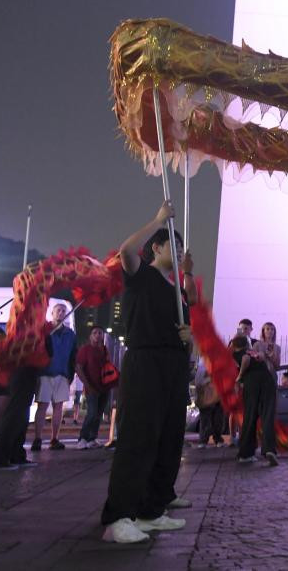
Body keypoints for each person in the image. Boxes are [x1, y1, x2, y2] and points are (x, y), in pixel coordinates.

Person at [100, 202, 195, 544]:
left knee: (169, 439)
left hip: (172, 365)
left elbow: (183, 328)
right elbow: (125, 250)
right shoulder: (142, 275)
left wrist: (189, 338)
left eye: (182, 245)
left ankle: (151, 511)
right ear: (156, 247)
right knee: (138, 439)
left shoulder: (175, 290)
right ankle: (118, 517)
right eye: (174, 243)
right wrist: (156, 221)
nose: (180, 251)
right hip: (145, 364)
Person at [33, 303, 77, 452]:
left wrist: (70, 375)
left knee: (58, 408)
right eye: (58, 310)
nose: (61, 313)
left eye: (64, 311)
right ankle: (37, 438)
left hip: (62, 374)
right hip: (45, 373)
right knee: (42, 406)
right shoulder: (44, 330)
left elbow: (73, 356)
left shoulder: (70, 334)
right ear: (52, 313)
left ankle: (54, 438)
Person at [235, 321, 279, 466]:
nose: (270, 331)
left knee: (250, 416)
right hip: (265, 380)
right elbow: (253, 357)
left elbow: (248, 360)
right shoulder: (253, 347)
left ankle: (246, 453)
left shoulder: (239, 352)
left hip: (256, 381)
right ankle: (269, 450)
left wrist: (239, 376)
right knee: (267, 416)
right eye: (267, 329)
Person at [75, 326, 113, 449]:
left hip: (104, 388)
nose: (97, 335)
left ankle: (92, 438)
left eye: (100, 333)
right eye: (95, 333)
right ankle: (82, 438)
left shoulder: (104, 349)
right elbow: (79, 367)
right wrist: (87, 384)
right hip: (92, 387)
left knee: (98, 414)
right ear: (90, 336)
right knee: (91, 413)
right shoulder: (85, 349)